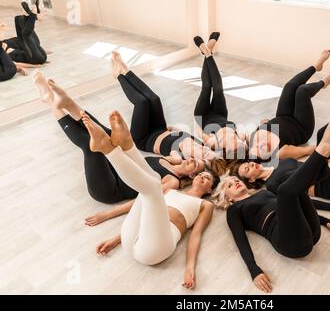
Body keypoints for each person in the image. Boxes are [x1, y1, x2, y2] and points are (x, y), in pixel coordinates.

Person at [214, 113, 330, 293]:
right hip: (290, 244)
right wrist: (254, 270)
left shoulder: (264, 192)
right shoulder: (234, 210)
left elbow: (294, 207)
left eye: (234, 180)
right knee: (284, 190)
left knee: (293, 191)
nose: (234, 182)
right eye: (229, 185)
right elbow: (240, 240)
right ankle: (328, 160)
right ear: (227, 198)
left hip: (311, 233)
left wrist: (327, 218)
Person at [81, 109, 219, 291]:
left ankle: (115, 149)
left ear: (209, 189)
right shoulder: (174, 189)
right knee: (152, 184)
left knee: (153, 187)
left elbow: (195, 236)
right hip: (132, 240)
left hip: (155, 250)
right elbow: (141, 210)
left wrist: (190, 267)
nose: (202, 177)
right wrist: (116, 239)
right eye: (201, 174)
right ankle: (125, 145)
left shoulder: (205, 205)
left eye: (206, 178)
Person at [32, 70, 206, 205]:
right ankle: (67, 103)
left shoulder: (173, 182)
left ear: (191, 176)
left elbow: (146, 201)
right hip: (115, 167)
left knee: (91, 146)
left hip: (110, 189)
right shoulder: (172, 160)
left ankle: (51, 102)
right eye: (193, 159)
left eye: (195, 164)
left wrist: (105, 217)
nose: (191, 160)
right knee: (105, 134)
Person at [111, 51, 217, 161]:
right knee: (154, 100)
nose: (206, 150)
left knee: (142, 103)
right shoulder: (199, 143)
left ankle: (119, 76)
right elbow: (173, 129)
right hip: (160, 128)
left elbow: (171, 159)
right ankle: (125, 70)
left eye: (205, 154)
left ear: (200, 161)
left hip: (143, 138)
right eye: (209, 151)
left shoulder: (184, 156)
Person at [193, 33, 248, 159]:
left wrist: (196, 122)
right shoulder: (243, 138)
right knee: (218, 88)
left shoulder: (215, 143)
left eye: (234, 146)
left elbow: (199, 132)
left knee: (207, 87)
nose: (237, 142)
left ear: (227, 151)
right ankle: (207, 51)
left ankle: (207, 51)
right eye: (239, 144)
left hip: (203, 115)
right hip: (220, 113)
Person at [4, 1, 47, 65]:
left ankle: (29, 15)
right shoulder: (4, 56)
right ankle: (34, 15)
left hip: (31, 48)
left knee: (17, 19)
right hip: (34, 58)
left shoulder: (3, 45)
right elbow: (16, 65)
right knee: (26, 35)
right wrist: (35, 67)